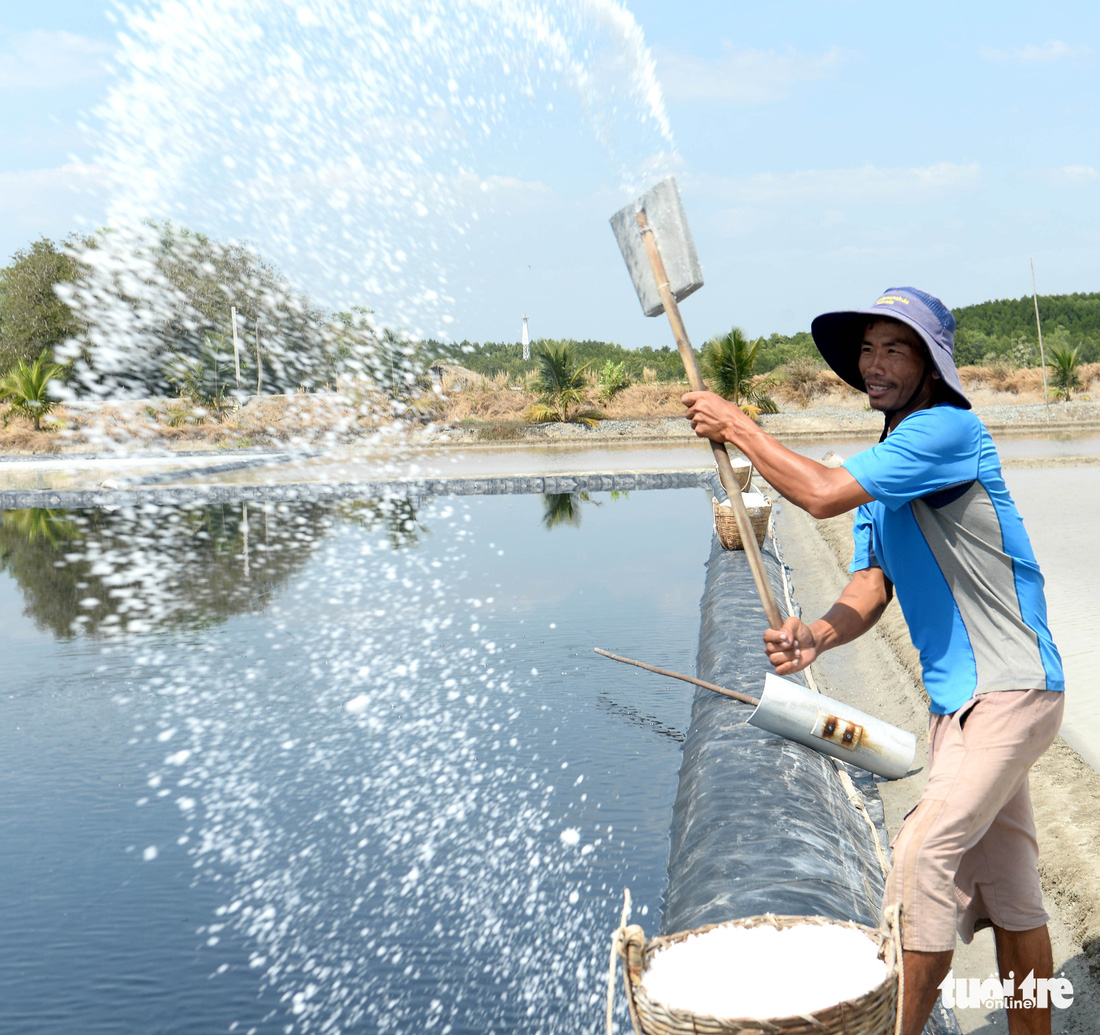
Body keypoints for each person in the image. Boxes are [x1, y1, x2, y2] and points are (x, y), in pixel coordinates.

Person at [683, 286, 1065, 1035]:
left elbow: (819, 494)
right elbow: (871, 581)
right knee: (1013, 894)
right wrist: (815, 636)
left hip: (1008, 690)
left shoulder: (947, 432)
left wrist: (738, 425)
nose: (876, 362)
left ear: (931, 366)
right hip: (962, 703)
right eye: (868, 349)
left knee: (918, 860)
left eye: (897, 347)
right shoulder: (885, 469)